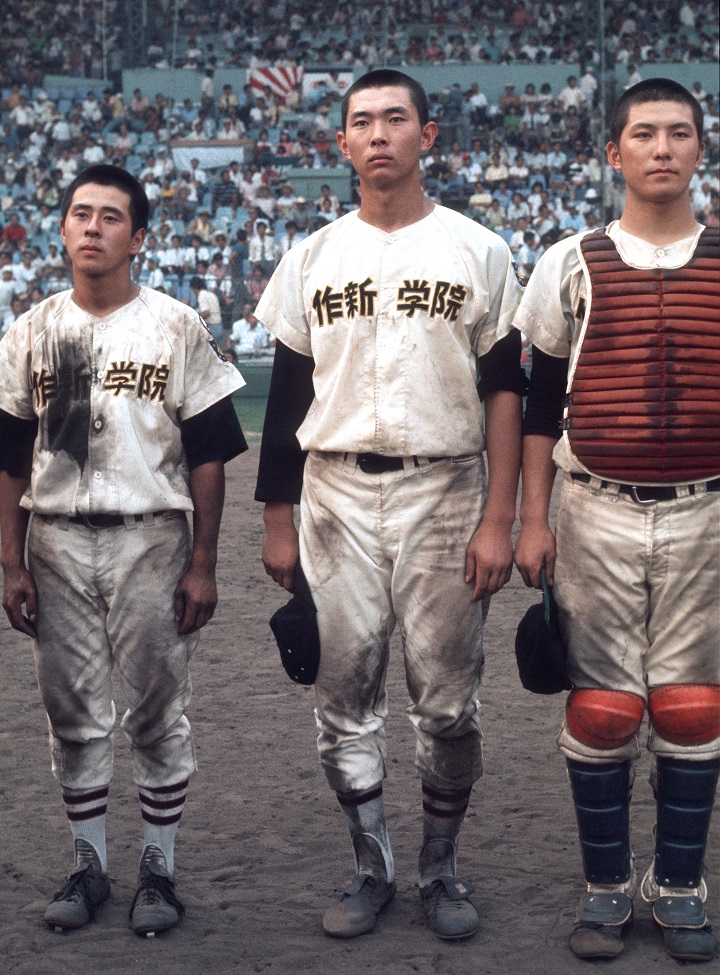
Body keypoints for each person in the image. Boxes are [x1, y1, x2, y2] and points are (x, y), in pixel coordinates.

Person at [254, 70, 525, 941]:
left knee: (447, 700)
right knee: (343, 694)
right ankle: (372, 866)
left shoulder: (477, 249)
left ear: (428, 136)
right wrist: (276, 518)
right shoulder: (312, 255)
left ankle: (440, 868)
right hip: (333, 487)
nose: (378, 135)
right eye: (361, 122)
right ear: (341, 144)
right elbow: (290, 393)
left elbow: (506, 393)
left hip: (445, 488)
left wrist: (500, 518)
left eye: (395, 120)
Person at [0, 165, 247, 937]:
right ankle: (89, 861)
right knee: (70, 710)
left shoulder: (174, 325)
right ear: (62, 229)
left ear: (139, 237)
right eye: (80, 213)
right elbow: (10, 457)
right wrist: (10, 562)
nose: (93, 227)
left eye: (111, 216)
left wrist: (203, 561)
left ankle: (159, 868)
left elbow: (209, 451)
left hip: (151, 535)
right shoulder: (31, 330)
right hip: (58, 538)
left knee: (156, 709)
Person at [513, 80, 719, 963]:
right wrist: (531, 519)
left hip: (707, 511)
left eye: (679, 134)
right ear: (614, 153)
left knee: (692, 704)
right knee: (600, 709)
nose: (662, 148)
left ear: (700, 151)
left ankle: (678, 887)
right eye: (644, 134)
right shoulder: (569, 262)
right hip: (592, 509)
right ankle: (603, 888)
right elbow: (535, 406)